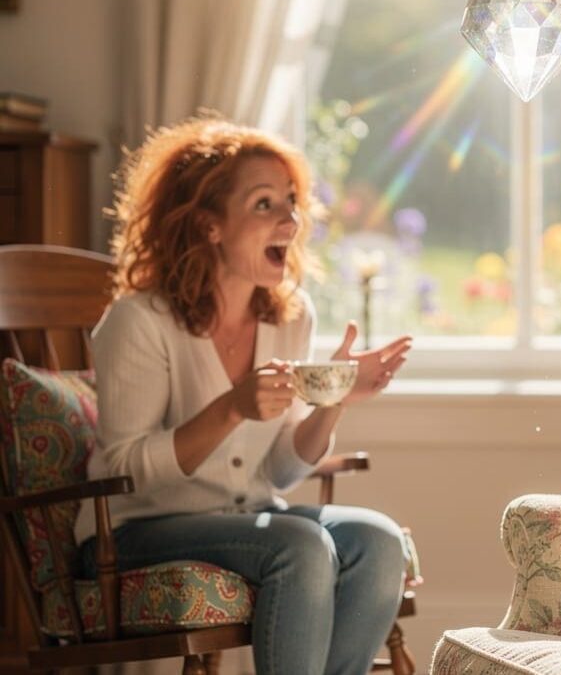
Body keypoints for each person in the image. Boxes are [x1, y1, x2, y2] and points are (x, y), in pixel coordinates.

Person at [73, 117, 413, 675]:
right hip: (137, 530)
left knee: (378, 541)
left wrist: (334, 400)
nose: (290, 220)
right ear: (209, 226)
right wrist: (232, 407)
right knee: (299, 545)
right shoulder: (139, 321)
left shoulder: (291, 316)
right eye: (263, 204)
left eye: (291, 200)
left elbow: (276, 472)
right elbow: (128, 470)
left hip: (250, 515)